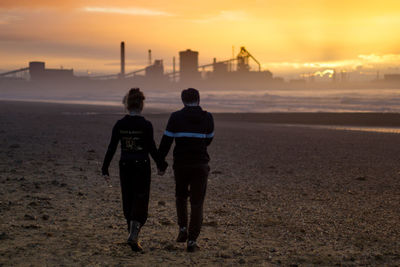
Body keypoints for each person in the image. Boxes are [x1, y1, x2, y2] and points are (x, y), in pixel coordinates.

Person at [101, 88, 167, 252]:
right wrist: (161, 164)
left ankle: (132, 235)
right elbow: (151, 147)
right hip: (141, 164)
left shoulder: (120, 124)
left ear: (127, 105)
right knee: (141, 198)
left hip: (125, 164)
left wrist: (105, 167)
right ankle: (134, 235)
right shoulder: (145, 125)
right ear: (141, 105)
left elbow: (112, 147)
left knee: (128, 198)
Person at [158, 88, 214, 252]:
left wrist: (160, 163)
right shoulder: (207, 117)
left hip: (181, 163)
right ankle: (192, 240)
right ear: (199, 99)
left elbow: (166, 141)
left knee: (181, 196)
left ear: (182, 100)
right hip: (200, 164)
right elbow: (209, 140)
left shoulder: (175, 117)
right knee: (197, 202)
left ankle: (183, 228)